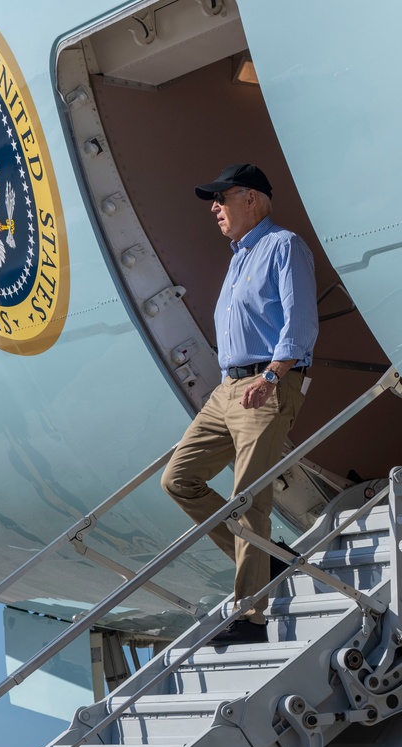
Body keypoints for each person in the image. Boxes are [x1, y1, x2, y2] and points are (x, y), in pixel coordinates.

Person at [162, 163, 318, 644]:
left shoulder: (283, 246)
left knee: (248, 500)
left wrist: (272, 376)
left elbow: (301, 322)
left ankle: (250, 617)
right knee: (178, 479)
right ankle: (267, 561)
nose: (214, 208)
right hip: (228, 389)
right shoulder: (238, 258)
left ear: (251, 198)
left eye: (221, 198)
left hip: (267, 384)